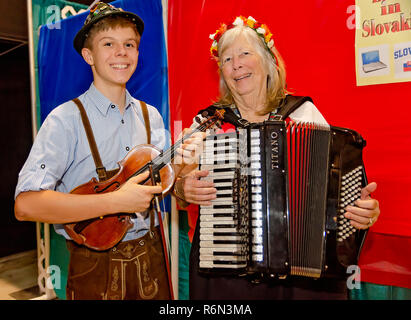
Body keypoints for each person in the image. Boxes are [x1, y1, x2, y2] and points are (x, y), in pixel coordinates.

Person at [173, 15, 381, 300]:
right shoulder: (209, 123)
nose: (236, 65)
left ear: (268, 62)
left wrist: (362, 212)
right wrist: (183, 187)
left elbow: (335, 196)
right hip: (226, 272)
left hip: (298, 279)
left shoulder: (303, 114)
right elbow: (176, 186)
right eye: (227, 59)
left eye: (245, 53)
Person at [14, 2, 201, 300]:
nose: (121, 52)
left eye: (129, 44)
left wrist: (184, 167)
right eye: (108, 44)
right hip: (93, 269)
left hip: (152, 262)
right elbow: (26, 205)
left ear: (138, 53)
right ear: (89, 55)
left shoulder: (151, 115)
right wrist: (115, 201)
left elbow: (165, 184)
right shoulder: (65, 120)